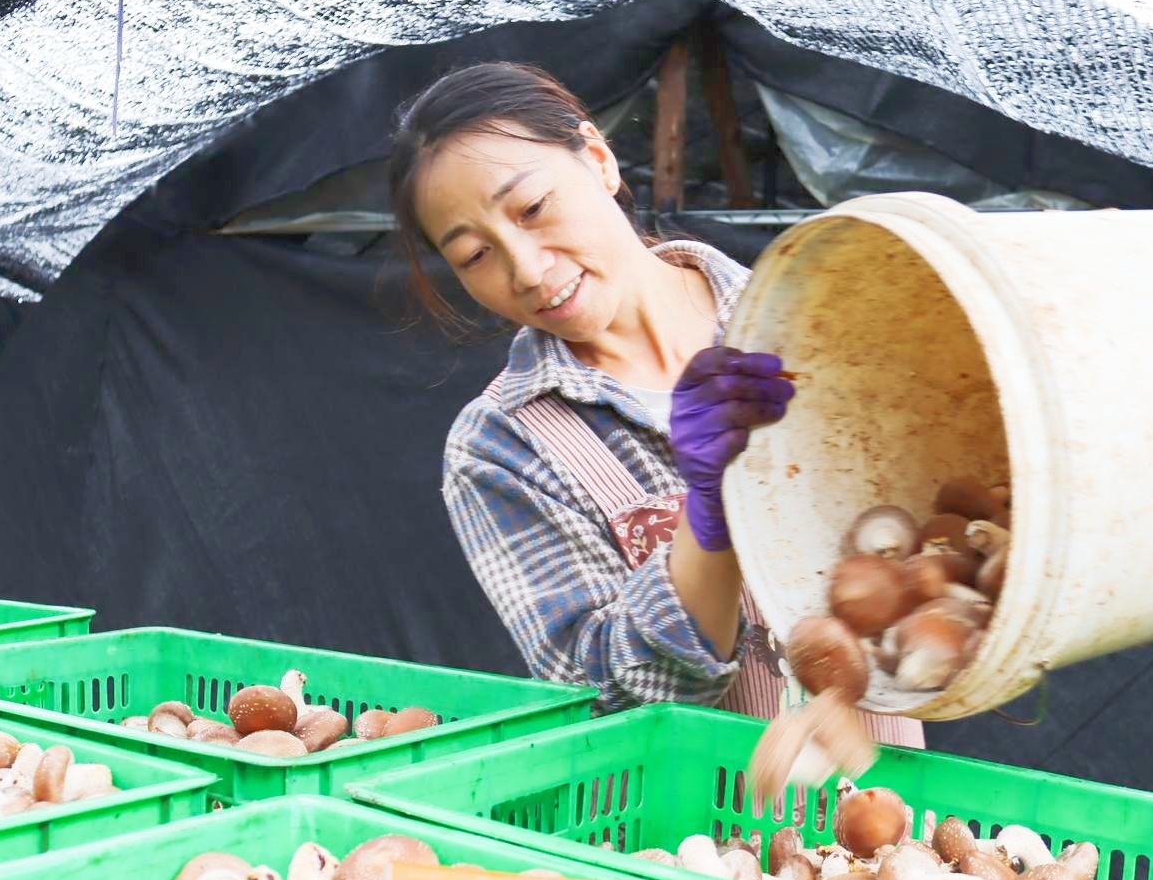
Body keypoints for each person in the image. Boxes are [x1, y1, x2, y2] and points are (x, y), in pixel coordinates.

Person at [387, 61, 922, 747]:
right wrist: (706, 518)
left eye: (532, 210)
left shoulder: (811, 322)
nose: (525, 268)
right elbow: (604, 698)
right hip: (682, 842)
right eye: (474, 255)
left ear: (600, 160)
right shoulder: (500, 445)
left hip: (888, 819)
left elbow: (937, 548)